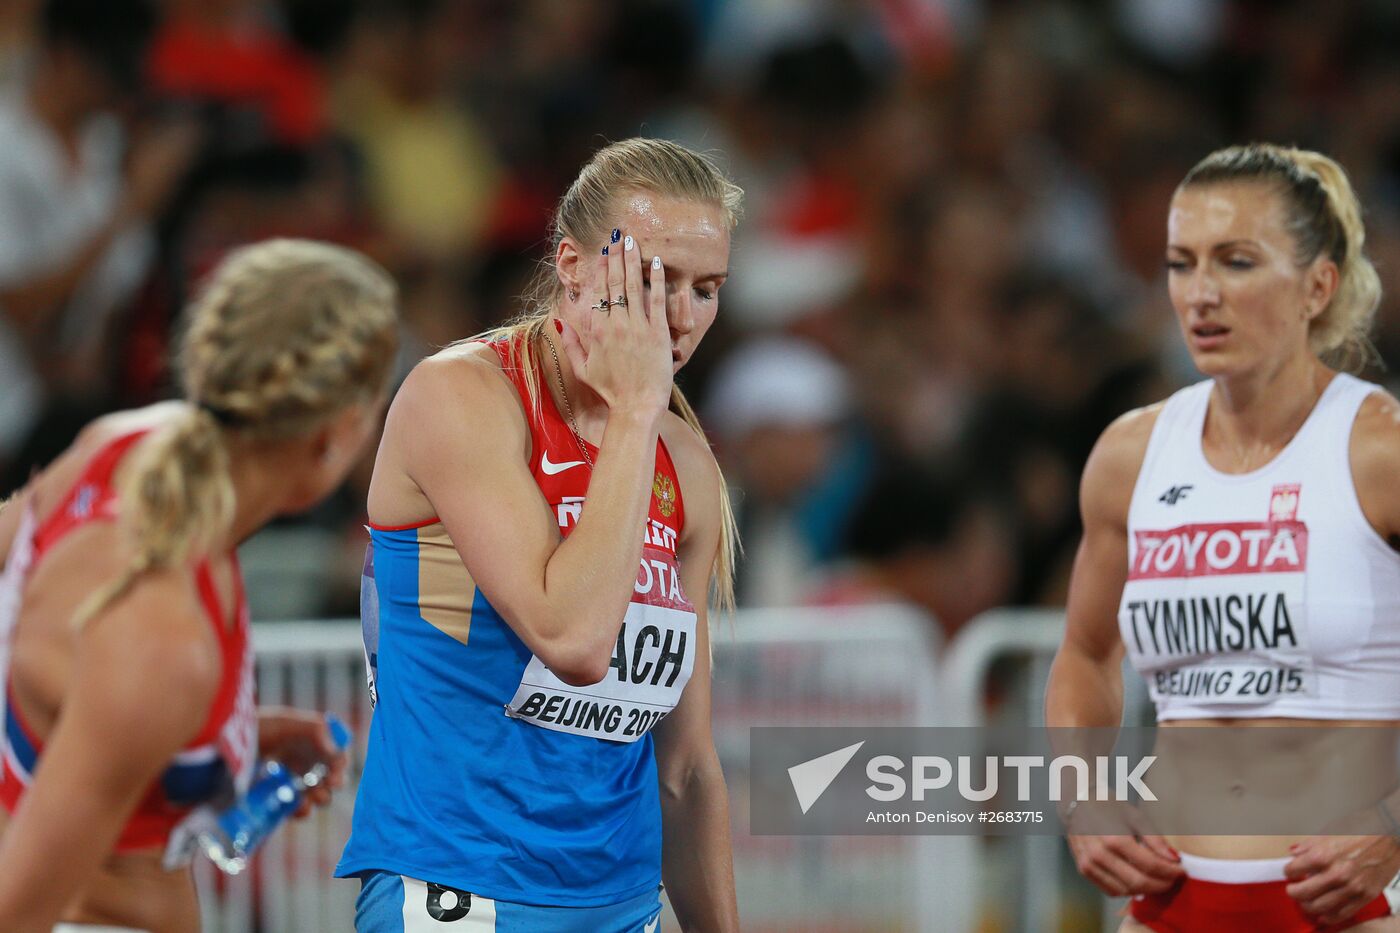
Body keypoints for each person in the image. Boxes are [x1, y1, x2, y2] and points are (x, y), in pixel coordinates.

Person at [338, 137, 742, 933]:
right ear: (573, 266)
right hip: (457, 886)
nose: (684, 316)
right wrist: (634, 411)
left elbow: (686, 768)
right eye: (656, 278)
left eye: (708, 288)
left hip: (623, 902)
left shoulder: (686, 462)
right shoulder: (458, 397)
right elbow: (573, 637)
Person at [1046, 142, 1400, 931]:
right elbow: (1086, 651)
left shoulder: (1380, 450)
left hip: (1349, 903)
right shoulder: (1131, 456)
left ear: (1318, 284)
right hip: (1171, 902)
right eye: (1181, 263)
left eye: (1236, 262)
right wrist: (1082, 796)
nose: (1200, 293)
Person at [0, 237, 400, 933]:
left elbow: (62, 675)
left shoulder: (122, 447)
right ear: (336, 433)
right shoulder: (162, 645)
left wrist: (230, 739)